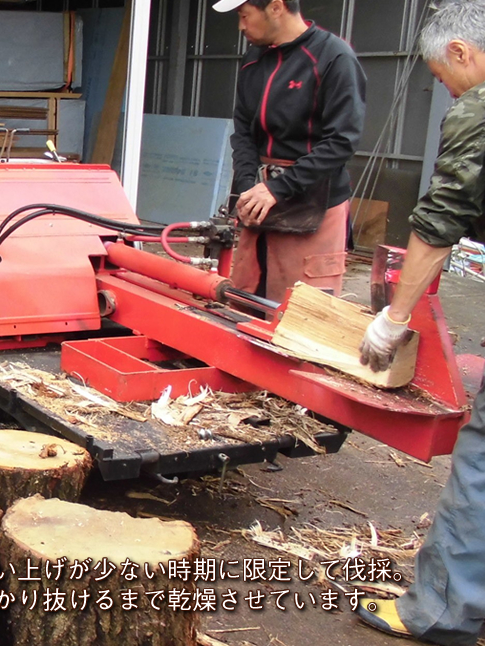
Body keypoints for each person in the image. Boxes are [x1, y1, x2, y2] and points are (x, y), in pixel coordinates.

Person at [356, 1, 485, 644]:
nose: (444, 87)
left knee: (482, 461)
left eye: (440, 74)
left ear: (461, 51)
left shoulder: (482, 107)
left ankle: (441, 612)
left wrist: (393, 316)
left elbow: (440, 220)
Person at [213, 0, 366, 307]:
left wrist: (278, 187)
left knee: (301, 313)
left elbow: (342, 140)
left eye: (244, 16)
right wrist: (247, 184)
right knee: (244, 301)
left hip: (314, 203)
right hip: (260, 197)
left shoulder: (334, 57)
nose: (241, 26)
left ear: (276, 7)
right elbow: (243, 131)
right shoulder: (253, 60)